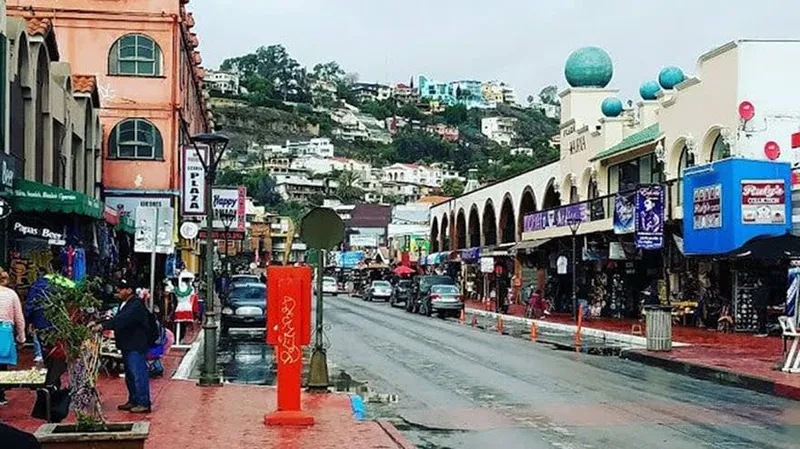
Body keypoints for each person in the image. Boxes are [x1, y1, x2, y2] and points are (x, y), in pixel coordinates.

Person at [93, 278, 151, 413]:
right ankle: (133, 399)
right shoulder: (124, 304)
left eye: (121, 288)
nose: (118, 291)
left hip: (135, 345)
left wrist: (103, 326)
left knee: (138, 373)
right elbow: (117, 318)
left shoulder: (136, 305)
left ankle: (143, 402)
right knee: (130, 374)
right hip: (126, 344)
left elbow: (122, 320)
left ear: (129, 291)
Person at [0, 267, 25, 406]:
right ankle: (0, 394)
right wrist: (21, 338)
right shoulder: (11, 294)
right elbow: (19, 318)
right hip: (4, 331)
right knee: (1, 365)